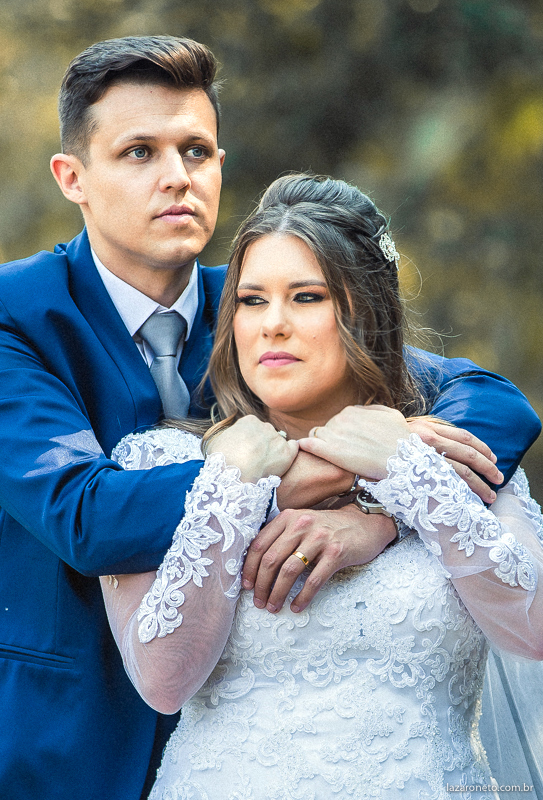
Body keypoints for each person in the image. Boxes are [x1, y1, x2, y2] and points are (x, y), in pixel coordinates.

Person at [0, 35, 539, 800]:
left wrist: (378, 510)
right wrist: (312, 476)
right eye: (138, 153)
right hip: (67, 739)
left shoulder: (258, 306)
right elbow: (83, 515)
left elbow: (484, 398)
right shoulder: (14, 318)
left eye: (195, 151)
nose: (175, 178)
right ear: (72, 177)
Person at [100, 173, 543, 799]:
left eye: (305, 297)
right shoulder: (159, 465)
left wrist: (404, 477)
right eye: (251, 301)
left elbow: (533, 629)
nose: (271, 325)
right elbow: (163, 680)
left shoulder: (449, 455)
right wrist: (230, 485)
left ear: (364, 310)